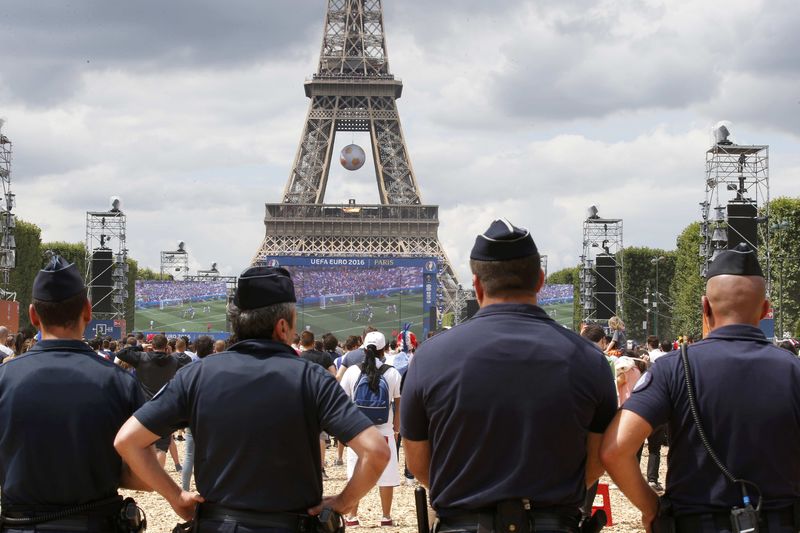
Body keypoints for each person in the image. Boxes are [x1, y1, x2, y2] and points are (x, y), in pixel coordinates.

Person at [115, 265, 391, 532]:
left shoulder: (198, 374)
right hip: (291, 523)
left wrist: (175, 496)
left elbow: (128, 441)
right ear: (283, 327)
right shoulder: (312, 378)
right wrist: (342, 502)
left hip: (218, 522)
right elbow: (376, 451)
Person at [401, 219, 618, 533]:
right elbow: (597, 460)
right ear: (540, 280)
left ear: (476, 286)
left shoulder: (429, 358)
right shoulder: (589, 360)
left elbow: (419, 463)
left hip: (464, 523)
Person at [601, 243, 800, 532]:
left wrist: (652, 508)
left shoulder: (674, 368)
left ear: (705, 307)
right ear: (765, 310)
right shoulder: (793, 370)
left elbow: (615, 450)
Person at [0, 256, 148, 532]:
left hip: (22, 524)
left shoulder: (4, 378)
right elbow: (144, 476)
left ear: (33, 315)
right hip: (95, 523)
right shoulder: (119, 382)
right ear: (87, 311)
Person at [339, 331, 402, 526]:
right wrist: (396, 428)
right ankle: (386, 516)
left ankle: (352, 517)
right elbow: (398, 404)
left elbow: (342, 401)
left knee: (355, 473)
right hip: (383, 430)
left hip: (358, 431)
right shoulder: (392, 372)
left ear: (364, 349)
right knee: (387, 474)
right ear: (383, 350)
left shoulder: (352, 371)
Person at [116, 333, 188, 471]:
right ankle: (156, 475)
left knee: (141, 443)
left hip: (144, 406)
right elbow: (187, 364)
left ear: (152, 346)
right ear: (166, 346)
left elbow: (121, 353)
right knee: (161, 447)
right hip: (165, 405)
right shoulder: (173, 361)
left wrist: (140, 347)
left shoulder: (142, 357)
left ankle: (142, 474)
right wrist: (170, 352)